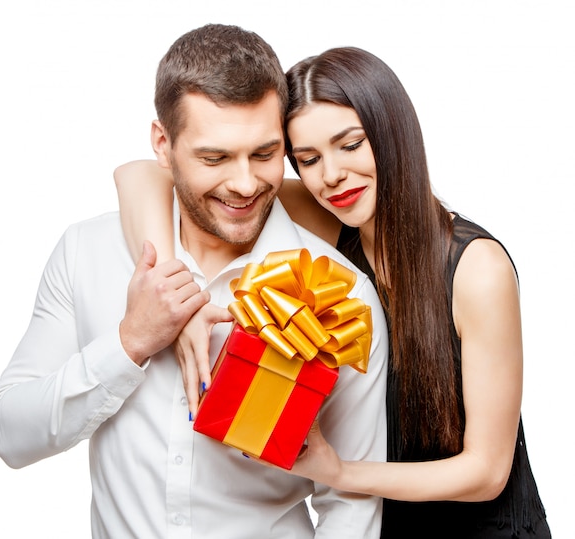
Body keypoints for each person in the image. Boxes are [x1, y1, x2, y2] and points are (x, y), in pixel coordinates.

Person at [113, 46, 551, 538]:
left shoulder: (476, 268)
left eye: (351, 144)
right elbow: (142, 173)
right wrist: (181, 298)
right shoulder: (333, 221)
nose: (332, 175)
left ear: (392, 132)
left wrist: (338, 472)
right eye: (308, 159)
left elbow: (486, 474)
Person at [0, 25, 389, 538]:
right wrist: (130, 342)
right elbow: (10, 435)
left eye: (265, 154)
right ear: (162, 144)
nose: (245, 184)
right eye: (214, 157)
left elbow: (351, 500)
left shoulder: (343, 296)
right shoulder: (87, 252)